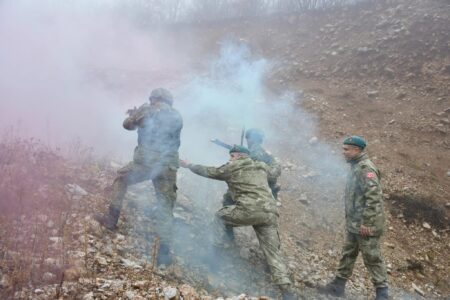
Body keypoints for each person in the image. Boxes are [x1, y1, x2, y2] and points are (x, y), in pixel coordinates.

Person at [180, 145, 297, 300]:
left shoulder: (232, 167)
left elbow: (209, 171)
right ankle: (287, 292)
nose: (229, 159)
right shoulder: (261, 166)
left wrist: (189, 165)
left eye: (231, 156)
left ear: (236, 156)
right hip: (269, 213)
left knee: (220, 216)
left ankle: (215, 255)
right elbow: (276, 170)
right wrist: (272, 157)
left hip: (248, 210)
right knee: (273, 254)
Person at [95, 88, 183, 266]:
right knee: (165, 206)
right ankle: (163, 256)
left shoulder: (148, 109)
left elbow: (127, 125)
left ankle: (111, 221)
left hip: (146, 163)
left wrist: (135, 114)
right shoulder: (177, 115)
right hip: (168, 165)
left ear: (154, 99)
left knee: (121, 179)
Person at [318, 136, 388, 300]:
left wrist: (367, 223)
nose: (343, 152)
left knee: (372, 257)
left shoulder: (365, 168)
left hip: (365, 224)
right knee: (348, 253)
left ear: (357, 150)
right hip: (355, 223)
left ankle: (382, 294)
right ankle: (337, 287)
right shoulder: (356, 166)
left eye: (346, 149)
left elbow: (374, 197)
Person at [222, 128, 282, 241]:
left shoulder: (253, 153)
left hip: (256, 192)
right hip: (269, 196)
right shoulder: (265, 153)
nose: (247, 141)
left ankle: (228, 236)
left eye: (247, 138)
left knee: (228, 200)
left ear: (250, 139)